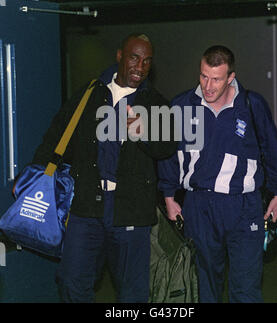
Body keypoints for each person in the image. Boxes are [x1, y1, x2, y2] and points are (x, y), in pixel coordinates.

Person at [31, 33, 177, 303]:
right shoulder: (90, 93)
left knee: (132, 293)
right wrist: (35, 175)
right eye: (134, 57)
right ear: (120, 56)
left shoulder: (155, 103)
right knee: (71, 280)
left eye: (146, 61)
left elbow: (167, 148)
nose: (140, 67)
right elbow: (57, 136)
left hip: (131, 210)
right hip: (87, 206)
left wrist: (143, 132)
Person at [158, 45, 277, 303]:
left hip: (244, 206)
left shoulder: (252, 105)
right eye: (203, 76)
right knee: (204, 285)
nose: (208, 85)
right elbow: (168, 155)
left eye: (216, 78)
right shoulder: (181, 106)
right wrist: (168, 196)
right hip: (199, 207)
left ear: (231, 77)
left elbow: (271, 149)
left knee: (245, 288)